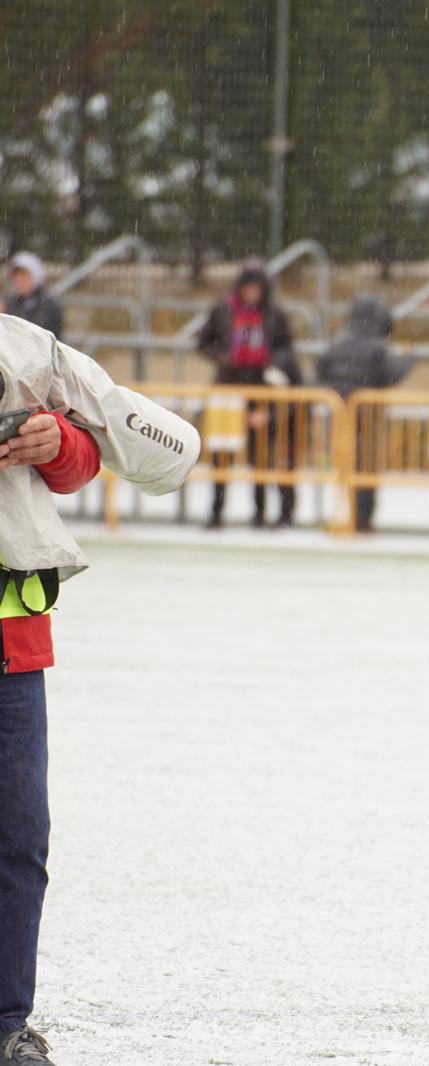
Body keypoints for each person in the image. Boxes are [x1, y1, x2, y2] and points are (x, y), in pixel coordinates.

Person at [1, 314, 199, 1066]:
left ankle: (6, 1026)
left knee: (17, 846)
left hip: (11, 651)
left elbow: (93, 457)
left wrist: (57, 439)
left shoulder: (27, 348)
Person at [196, 262, 297, 529]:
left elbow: (286, 347)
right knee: (221, 454)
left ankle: (259, 513)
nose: (252, 293)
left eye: (257, 288)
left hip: (260, 389)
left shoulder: (274, 315)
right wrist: (222, 358)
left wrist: (272, 365)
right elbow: (203, 342)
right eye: (249, 287)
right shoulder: (223, 311)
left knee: (259, 454)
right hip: (227, 389)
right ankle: (216, 512)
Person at [315, 295, 413, 533]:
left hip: (339, 415)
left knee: (342, 465)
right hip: (367, 417)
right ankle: (361, 518)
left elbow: (320, 369)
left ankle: (340, 513)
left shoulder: (337, 342)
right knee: (365, 467)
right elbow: (391, 374)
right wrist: (408, 359)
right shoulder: (378, 346)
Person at [4, 256, 63, 339]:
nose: (20, 282)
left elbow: (45, 335)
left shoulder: (48, 305)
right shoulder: (9, 303)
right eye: (16, 278)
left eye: (24, 276)